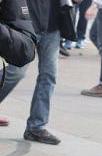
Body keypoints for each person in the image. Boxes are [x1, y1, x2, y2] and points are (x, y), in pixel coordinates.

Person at [0, 0, 62, 144]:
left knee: (49, 76)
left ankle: (36, 127)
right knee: (14, 73)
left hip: (52, 26)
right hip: (24, 25)